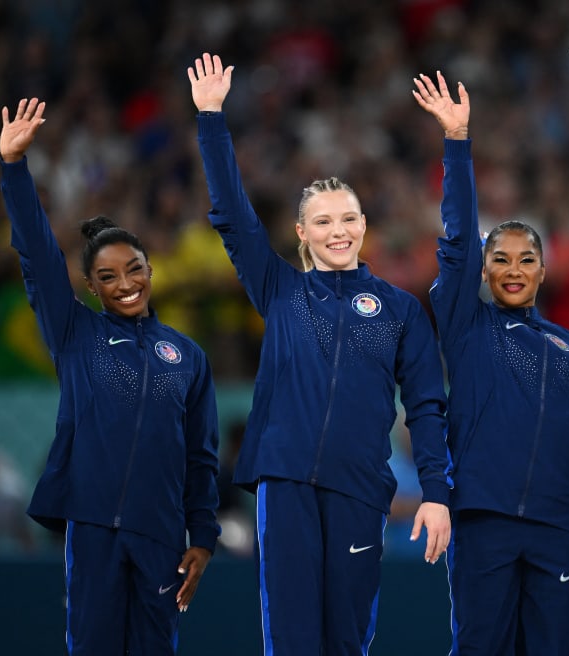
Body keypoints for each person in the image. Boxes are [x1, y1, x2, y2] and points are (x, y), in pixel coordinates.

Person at [187, 54, 453, 655]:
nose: (339, 230)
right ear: (301, 233)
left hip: (360, 487)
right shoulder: (278, 288)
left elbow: (428, 407)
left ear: (364, 225)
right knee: (291, 638)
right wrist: (211, 117)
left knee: (347, 638)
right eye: (323, 221)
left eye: (349, 218)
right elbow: (231, 214)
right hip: (284, 484)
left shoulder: (400, 309)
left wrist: (437, 493)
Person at [0, 98, 221, 654]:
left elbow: (201, 455)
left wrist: (205, 538)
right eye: (107, 276)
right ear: (91, 288)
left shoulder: (187, 356)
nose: (125, 283)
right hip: (94, 527)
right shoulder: (75, 334)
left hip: (162, 535)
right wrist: (14, 169)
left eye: (135, 269)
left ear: (151, 269)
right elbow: (38, 254)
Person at [412, 71, 569, 655]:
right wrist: (457, 141)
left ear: (544, 272)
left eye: (528, 259)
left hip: (559, 528)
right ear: (483, 268)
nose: (515, 268)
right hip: (483, 522)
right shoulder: (463, 323)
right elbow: (456, 241)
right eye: (501, 258)